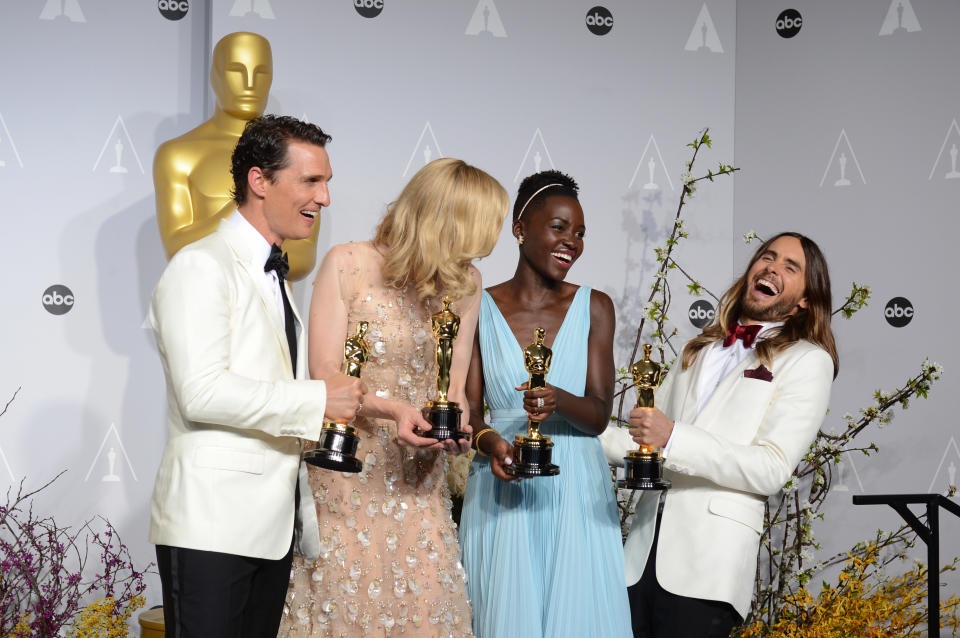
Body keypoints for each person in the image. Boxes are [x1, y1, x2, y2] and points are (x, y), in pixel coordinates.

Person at [148, 114, 366, 638]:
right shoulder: (200, 266)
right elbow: (201, 393)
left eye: (327, 181)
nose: (325, 198)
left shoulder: (276, 275)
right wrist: (317, 399)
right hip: (211, 528)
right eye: (311, 181)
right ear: (259, 180)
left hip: (269, 531)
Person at [281, 158, 509, 637]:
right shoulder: (348, 263)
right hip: (347, 476)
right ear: (437, 222)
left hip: (417, 484)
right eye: (469, 243)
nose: (475, 260)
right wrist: (393, 411)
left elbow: (453, 388)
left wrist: (455, 428)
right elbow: (325, 375)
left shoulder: (465, 284)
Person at [600, 232, 839, 638]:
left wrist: (673, 437)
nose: (771, 268)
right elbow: (645, 442)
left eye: (789, 266)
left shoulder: (808, 362)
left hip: (708, 570)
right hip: (638, 559)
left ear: (805, 299)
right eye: (767, 257)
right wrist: (574, 429)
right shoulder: (698, 348)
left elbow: (770, 468)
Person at [459, 170, 632, 638]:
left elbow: (598, 416)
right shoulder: (477, 305)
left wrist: (558, 401)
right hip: (501, 485)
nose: (571, 242)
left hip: (575, 487)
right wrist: (492, 442)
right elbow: (469, 411)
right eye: (558, 227)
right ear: (520, 228)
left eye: (579, 233)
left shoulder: (596, 306)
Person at [154, 31, 319, 280]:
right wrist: (250, 203)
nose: (250, 83)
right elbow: (179, 251)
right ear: (215, 76)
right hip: (206, 309)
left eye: (261, 73)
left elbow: (302, 258)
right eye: (236, 70)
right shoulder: (178, 154)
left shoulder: (296, 155)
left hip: (273, 313)